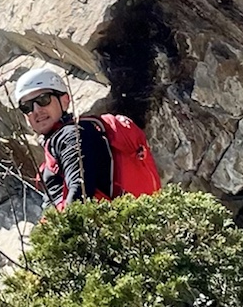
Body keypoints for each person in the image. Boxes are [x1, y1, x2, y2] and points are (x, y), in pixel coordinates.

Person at [15, 63, 161, 210]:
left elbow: (80, 191)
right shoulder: (71, 135)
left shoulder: (71, 135)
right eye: (26, 107)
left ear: (65, 100)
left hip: (95, 221)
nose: (36, 110)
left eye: (43, 99)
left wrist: (67, 223)